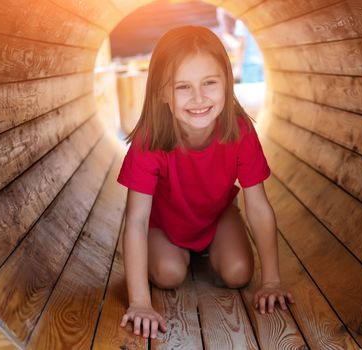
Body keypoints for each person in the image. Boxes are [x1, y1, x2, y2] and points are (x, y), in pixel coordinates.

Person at [116, 25, 294, 339]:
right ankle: (180, 255)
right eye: (183, 87)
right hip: (165, 225)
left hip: (217, 216)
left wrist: (271, 282)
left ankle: (214, 245)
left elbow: (259, 207)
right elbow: (137, 220)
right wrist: (140, 301)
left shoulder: (239, 132)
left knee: (239, 273)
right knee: (169, 274)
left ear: (228, 82)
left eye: (210, 83)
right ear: (161, 92)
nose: (198, 98)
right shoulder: (150, 141)